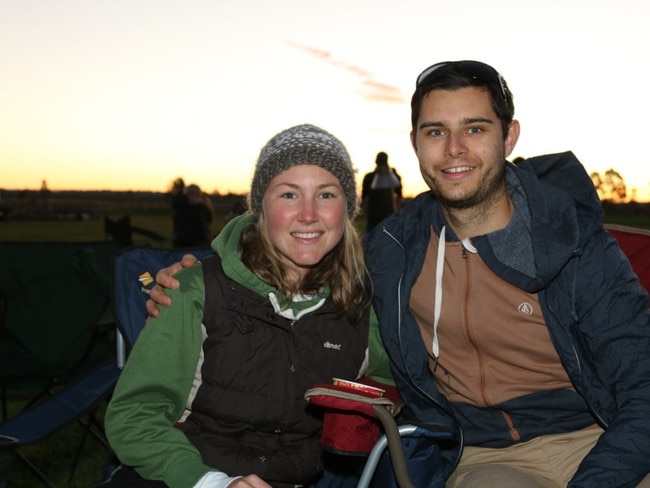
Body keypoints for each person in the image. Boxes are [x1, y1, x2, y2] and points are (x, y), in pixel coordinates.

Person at [149, 60, 650, 488]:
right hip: (491, 458)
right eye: (436, 132)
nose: (454, 149)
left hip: (603, 433)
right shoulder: (392, 251)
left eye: (474, 128)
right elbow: (299, 265)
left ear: (509, 135)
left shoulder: (576, 245)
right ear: (415, 143)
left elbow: (643, 383)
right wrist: (201, 274)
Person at [104, 124, 373, 488]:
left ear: (348, 209)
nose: (308, 214)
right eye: (289, 195)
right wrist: (210, 482)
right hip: (186, 474)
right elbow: (135, 416)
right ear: (260, 206)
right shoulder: (193, 290)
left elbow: (399, 381)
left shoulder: (361, 306)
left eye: (326, 195)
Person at [361, 151, 403, 232]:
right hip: (377, 218)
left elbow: (364, 199)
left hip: (385, 217)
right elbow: (400, 196)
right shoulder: (370, 177)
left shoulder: (370, 177)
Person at [171, 181, 215, 248]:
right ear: (186, 195)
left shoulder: (203, 207)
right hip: (183, 244)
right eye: (191, 193)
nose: (194, 196)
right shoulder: (182, 207)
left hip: (200, 244)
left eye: (196, 193)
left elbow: (207, 222)